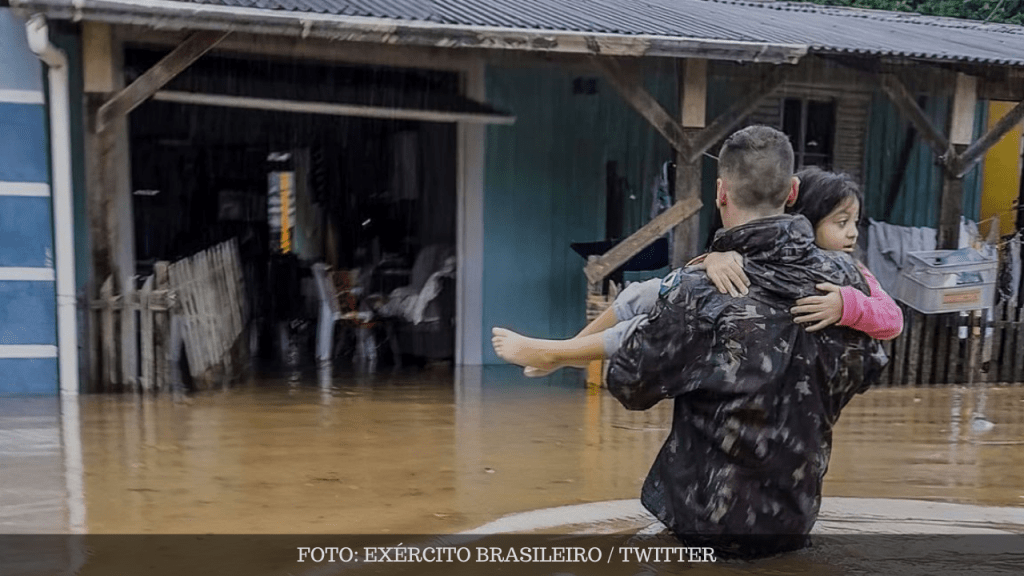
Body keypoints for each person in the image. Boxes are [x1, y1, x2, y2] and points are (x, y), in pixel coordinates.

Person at [494, 125, 887, 556]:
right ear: (792, 191)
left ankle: (557, 351)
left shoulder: (700, 291)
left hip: (706, 525)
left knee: (646, 300)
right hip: (796, 515)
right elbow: (867, 367)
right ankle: (555, 351)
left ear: (721, 192)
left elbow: (629, 384)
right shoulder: (846, 279)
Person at [697, 166, 903, 341]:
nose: (854, 233)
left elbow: (893, 320)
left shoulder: (854, 271)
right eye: (842, 223)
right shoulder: (762, 256)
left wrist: (847, 306)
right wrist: (713, 259)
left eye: (855, 222)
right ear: (806, 219)